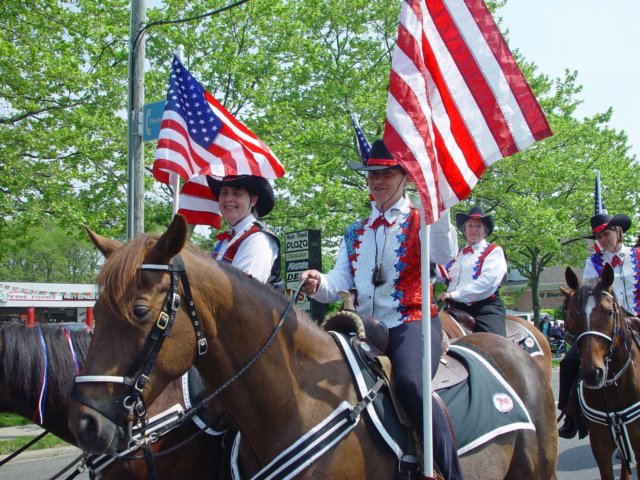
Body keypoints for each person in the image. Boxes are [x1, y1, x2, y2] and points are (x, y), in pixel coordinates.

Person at [299, 139, 463, 480]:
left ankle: (448, 471)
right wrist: (319, 281)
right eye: (372, 174)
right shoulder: (354, 231)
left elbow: (446, 254)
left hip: (411, 321)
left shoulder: (422, 221)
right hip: (365, 327)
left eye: (386, 173)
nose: (377, 181)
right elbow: (339, 280)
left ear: (405, 177)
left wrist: (439, 206)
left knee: (410, 385)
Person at [557, 212, 640, 438]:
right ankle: (570, 414)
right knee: (570, 361)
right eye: (598, 236)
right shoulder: (592, 262)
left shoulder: (638, 256)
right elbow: (590, 294)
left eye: (606, 234)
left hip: (638, 319)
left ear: (618, 232)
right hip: (607, 322)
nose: (603, 239)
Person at [436, 206, 508, 336]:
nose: (474, 230)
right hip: (453, 308)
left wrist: (453, 294)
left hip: (484, 309)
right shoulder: (455, 254)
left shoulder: (494, 251)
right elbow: (439, 273)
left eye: (478, 226)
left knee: (494, 346)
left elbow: (487, 282)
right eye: (470, 226)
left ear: (485, 231)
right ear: (464, 230)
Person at [206, 175, 282, 288]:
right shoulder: (226, 241)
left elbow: (242, 291)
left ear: (253, 201)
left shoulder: (259, 239)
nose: (228, 199)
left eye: (237, 193)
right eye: (224, 193)